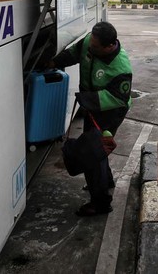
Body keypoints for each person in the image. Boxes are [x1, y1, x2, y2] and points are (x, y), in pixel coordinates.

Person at [48, 21, 133, 216]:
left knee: (93, 154)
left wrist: (87, 99)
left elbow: (118, 98)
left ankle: (101, 203)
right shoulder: (90, 42)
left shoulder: (120, 67)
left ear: (110, 46)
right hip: (93, 107)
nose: (90, 48)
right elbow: (74, 53)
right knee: (97, 150)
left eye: (95, 47)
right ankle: (106, 181)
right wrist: (53, 62)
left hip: (111, 111)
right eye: (90, 44)